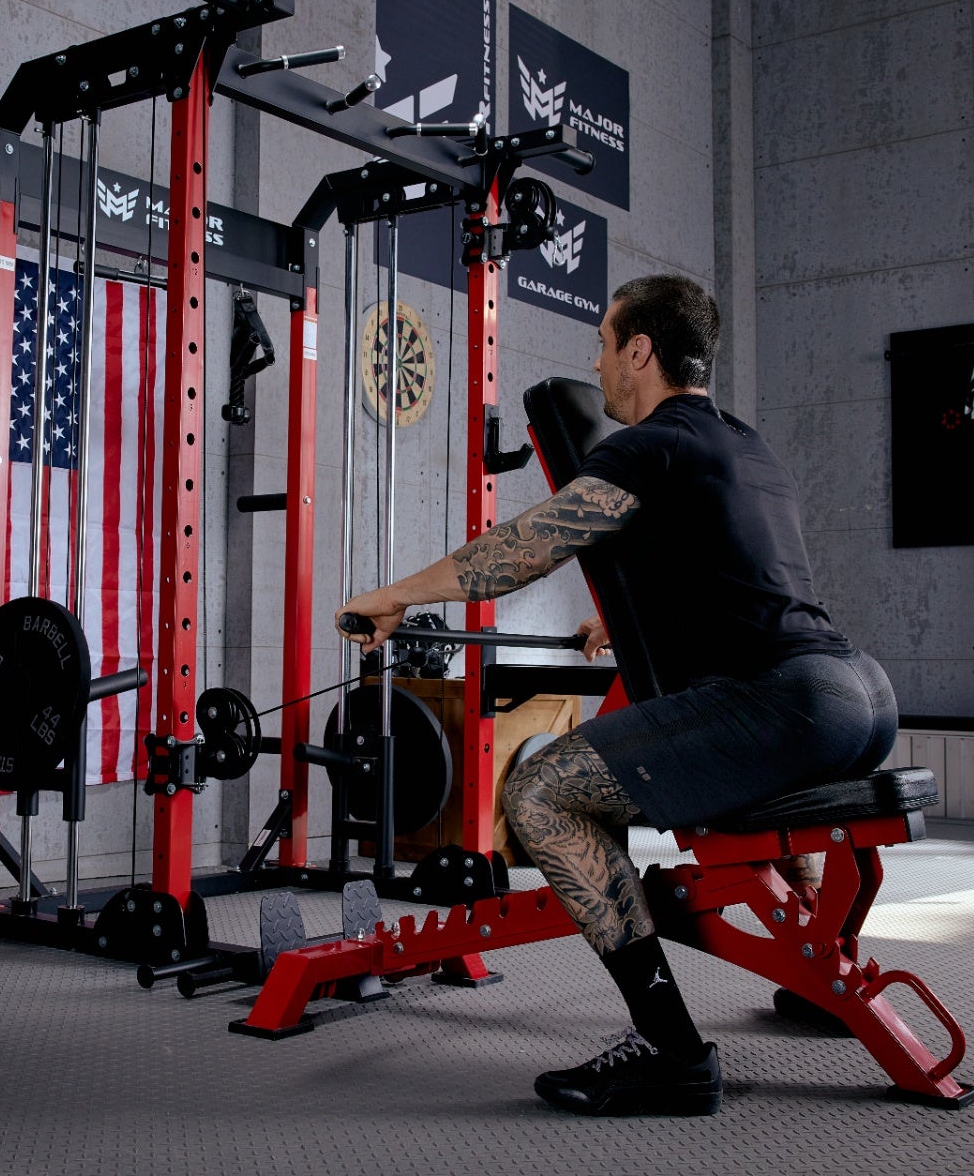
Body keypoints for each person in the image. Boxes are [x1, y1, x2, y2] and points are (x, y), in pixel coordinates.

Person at [336, 274, 896, 1117]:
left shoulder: (648, 443)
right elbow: (740, 573)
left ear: (640, 351)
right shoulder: (746, 444)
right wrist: (626, 627)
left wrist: (398, 594)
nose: (596, 364)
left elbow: (526, 547)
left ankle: (669, 1049)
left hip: (788, 700)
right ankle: (821, 970)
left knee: (539, 792)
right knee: (763, 770)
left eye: (603, 343)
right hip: (860, 694)